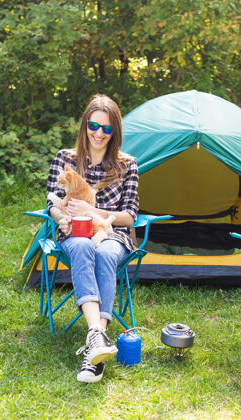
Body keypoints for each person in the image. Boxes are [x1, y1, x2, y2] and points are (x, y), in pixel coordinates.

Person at [46, 94, 139, 383]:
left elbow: (130, 215)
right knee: (84, 246)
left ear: (115, 133)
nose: (99, 133)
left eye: (107, 129)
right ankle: (97, 335)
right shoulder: (65, 159)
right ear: (85, 125)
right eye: (94, 125)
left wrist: (92, 210)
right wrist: (63, 221)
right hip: (74, 231)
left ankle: (93, 342)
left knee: (107, 253)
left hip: (112, 232)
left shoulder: (127, 165)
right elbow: (51, 205)